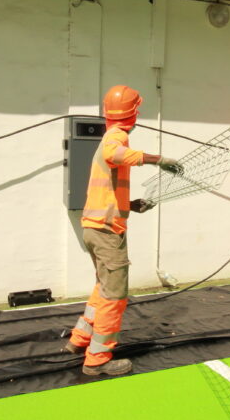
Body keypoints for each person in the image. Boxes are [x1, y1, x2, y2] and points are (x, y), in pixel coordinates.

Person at [65, 85, 181, 376]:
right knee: (115, 295)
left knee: (102, 288)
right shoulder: (117, 137)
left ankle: (79, 340)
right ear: (134, 113)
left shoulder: (110, 134)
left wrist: (130, 205)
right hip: (107, 232)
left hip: (94, 227)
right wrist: (158, 159)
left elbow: (107, 185)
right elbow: (114, 154)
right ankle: (98, 360)